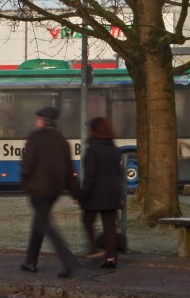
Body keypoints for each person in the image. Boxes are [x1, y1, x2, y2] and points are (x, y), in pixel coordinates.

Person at [19, 106, 82, 278]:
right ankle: (30, 261)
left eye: (38, 119)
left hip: (38, 190)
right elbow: (70, 171)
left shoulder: (35, 138)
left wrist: (25, 183)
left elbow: (27, 165)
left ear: (42, 121)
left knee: (45, 225)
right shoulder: (62, 141)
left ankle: (67, 259)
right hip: (54, 191)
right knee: (39, 223)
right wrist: (75, 193)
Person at [77, 116, 123, 269]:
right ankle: (111, 258)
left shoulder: (92, 149)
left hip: (94, 196)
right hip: (112, 194)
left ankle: (93, 248)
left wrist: (82, 195)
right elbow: (118, 173)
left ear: (93, 131)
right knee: (110, 227)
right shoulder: (114, 149)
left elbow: (89, 176)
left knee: (87, 221)